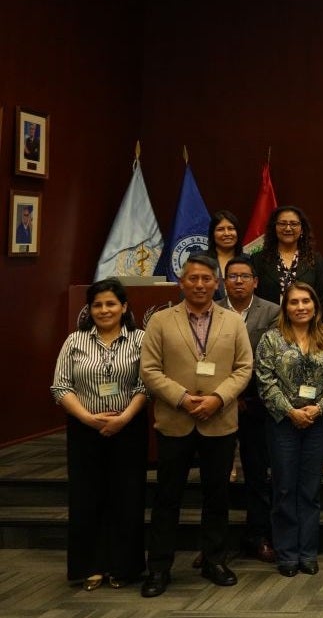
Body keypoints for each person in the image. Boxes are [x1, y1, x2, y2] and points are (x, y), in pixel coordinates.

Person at [139, 254, 253, 597]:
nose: (200, 284)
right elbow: (149, 369)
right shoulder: (160, 320)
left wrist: (218, 398)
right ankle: (159, 568)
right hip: (175, 421)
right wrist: (182, 398)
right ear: (181, 282)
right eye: (193, 278)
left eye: (206, 279)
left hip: (219, 421)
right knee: (167, 497)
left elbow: (244, 367)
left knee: (216, 496)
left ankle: (214, 560)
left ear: (216, 284)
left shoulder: (233, 321)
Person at [50, 279, 148, 591]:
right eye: (97, 305)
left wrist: (124, 418)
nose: (104, 310)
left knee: (127, 497)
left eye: (111, 304)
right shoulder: (75, 341)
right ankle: (90, 566)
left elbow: (146, 385)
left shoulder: (140, 340)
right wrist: (88, 419)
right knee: (86, 497)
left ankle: (123, 566)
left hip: (128, 429)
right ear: (89, 309)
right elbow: (60, 386)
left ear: (124, 307)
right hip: (84, 430)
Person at [256, 282, 323, 577]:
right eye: (294, 302)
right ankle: (287, 553)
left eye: (306, 301)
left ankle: (308, 553)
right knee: (285, 488)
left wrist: (319, 408)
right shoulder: (271, 339)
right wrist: (290, 412)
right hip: (283, 424)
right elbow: (265, 381)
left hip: (317, 422)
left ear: (315, 305)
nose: (301, 307)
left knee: (310, 490)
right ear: (285, 307)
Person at [217, 256, 280, 565]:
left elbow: (270, 357)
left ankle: (259, 536)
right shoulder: (212, 309)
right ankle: (215, 544)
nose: (238, 281)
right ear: (224, 282)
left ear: (255, 281)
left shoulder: (272, 311)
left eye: (245, 276)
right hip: (217, 404)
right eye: (233, 276)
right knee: (216, 477)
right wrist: (227, 395)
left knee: (257, 474)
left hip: (256, 404)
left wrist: (243, 395)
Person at [250, 205, 323, 314]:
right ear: (274, 228)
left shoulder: (315, 260)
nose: (288, 228)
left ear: (302, 229)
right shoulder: (258, 259)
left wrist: (315, 319)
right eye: (282, 224)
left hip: (305, 320)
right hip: (268, 321)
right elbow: (252, 295)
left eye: (294, 224)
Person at [203, 210, 244, 300]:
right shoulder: (200, 260)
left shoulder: (249, 260)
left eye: (231, 228)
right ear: (212, 234)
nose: (227, 233)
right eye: (220, 229)